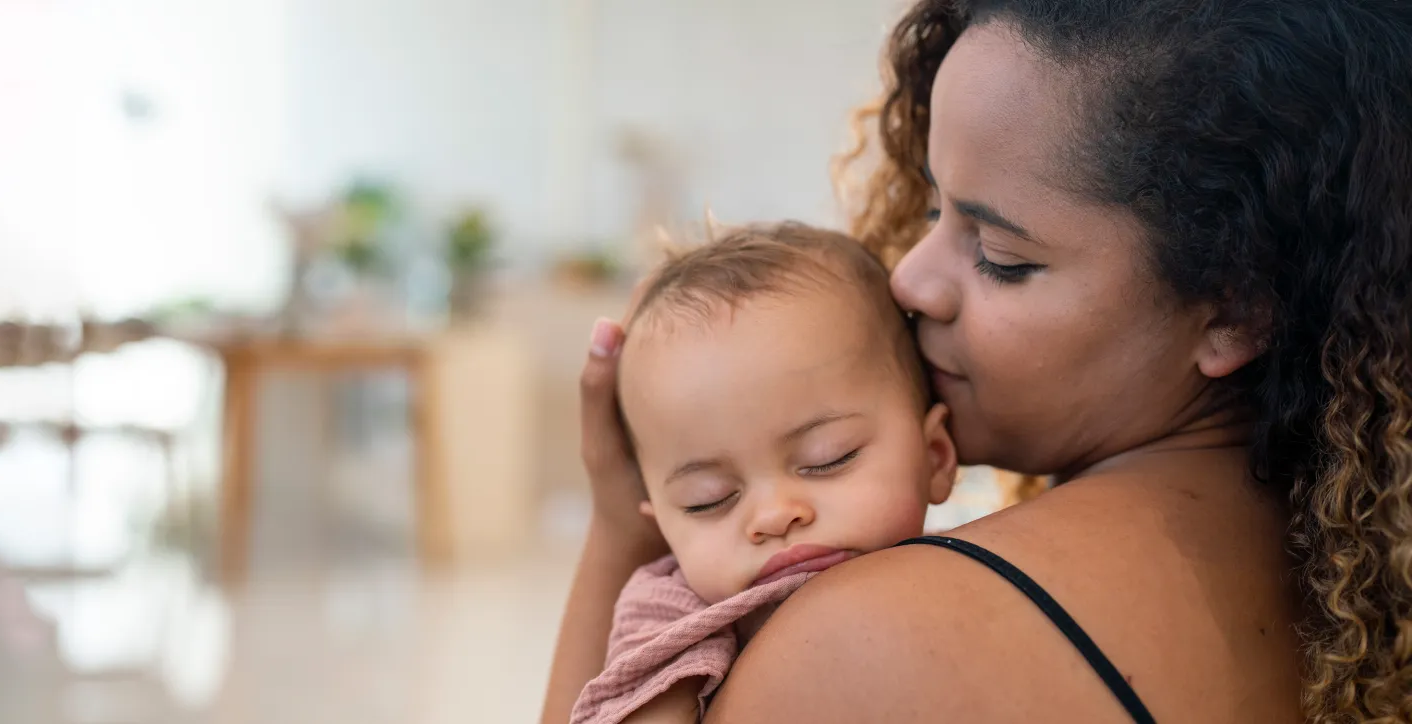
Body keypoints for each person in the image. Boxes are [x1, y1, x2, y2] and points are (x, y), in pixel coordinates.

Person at [543, 0, 1412, 721]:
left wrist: (623, 533)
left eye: (1000, 255)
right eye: (930, 211)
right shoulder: (1363, 588)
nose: (912, 279)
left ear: (1235, 307)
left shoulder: (864, 646)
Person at [569, 224, 957, 723]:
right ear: (662, 524)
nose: (774, 516)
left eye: (829, 458)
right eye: (707, 499)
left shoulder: (969, 570)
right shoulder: (672, 617)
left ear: (936, 456)